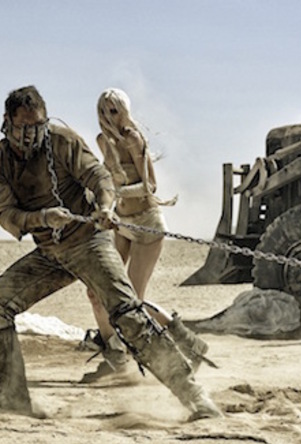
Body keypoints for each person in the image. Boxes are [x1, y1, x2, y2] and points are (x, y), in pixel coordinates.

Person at [0, 85, 221, 421]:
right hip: (49, 252)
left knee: (127, 312)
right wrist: (43, 218)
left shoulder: (62, 141)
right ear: (7, 121)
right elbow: (6, 216)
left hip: (89, 242)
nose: (32, 133)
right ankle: (13, 397)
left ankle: (195, 398)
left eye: (38, 125)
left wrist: (106, 206)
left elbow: (98, 176)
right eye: (24, 126)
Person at [81, 88, 209, 382]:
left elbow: (150, 185)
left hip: (147, 223)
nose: (108, 116)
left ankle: (190, 345)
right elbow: (105, 182)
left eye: (114, 110)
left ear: (124, 111)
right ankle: (115, 355)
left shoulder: (133, 139)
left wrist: (117, 192)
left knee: (131, 302)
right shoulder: (102, 141)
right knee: (96, 292)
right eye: (103, 110)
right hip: (121, 224)